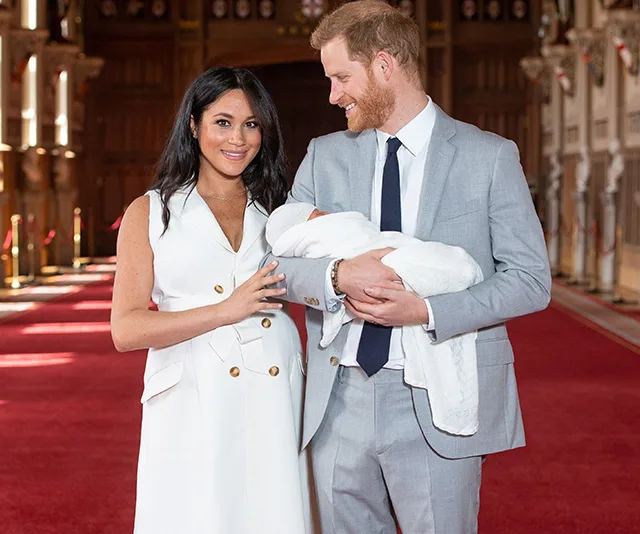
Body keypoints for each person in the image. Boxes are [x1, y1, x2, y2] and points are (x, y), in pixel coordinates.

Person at [263, 1, 552, 533]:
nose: (333, 95)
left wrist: (426, 309)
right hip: (338, 399)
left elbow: (531, 281)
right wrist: (335, 277)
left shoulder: (488, 157)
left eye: (341, 77)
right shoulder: (324, 155)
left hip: (437, 396)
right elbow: (273, 262)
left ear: (384, 65)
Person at [110, 67, 315, 534]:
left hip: (275, 381)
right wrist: (225, 311)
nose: (238, 138)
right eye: (222, 122)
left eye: (251, 124)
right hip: (190, 388)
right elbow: (126, 329)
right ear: (193, 124)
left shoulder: (282, 208)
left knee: (275, 508)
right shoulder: (152, 211)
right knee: (197, 511)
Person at [266, 202, 483, 436]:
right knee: (411, 265)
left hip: (416, 378)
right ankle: (456, 269)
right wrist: (339, 276)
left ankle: (457, 269)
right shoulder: (317, 174)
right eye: (319, 215)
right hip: (341, 387)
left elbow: (526, 275)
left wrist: (426, 311)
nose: (327, 215)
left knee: (419, 260)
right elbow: (273, 268)